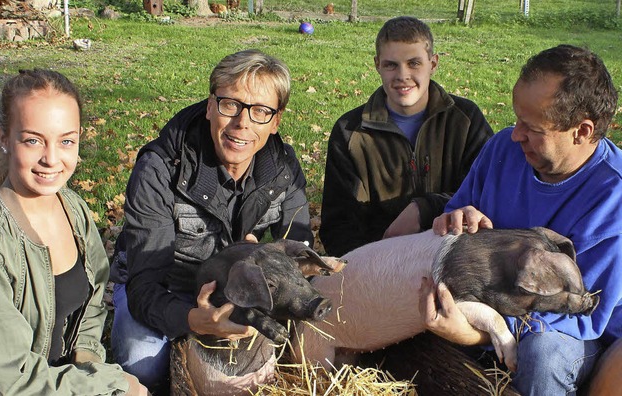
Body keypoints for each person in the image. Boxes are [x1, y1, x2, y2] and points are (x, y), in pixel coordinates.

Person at [109, 49, 314, 394]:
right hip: (165, 283)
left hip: (239, 286)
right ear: (210, 105)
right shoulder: (161, 169)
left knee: (294, 350)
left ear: (276, 120)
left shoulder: (283, 170)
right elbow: (144, 287)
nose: (242, 123)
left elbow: (300, 245)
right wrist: (193, 319)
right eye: (230, 104)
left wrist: (274, 260)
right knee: (143, 359)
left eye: (261, 111)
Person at [423, 45, 622, 395]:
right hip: (486, 301)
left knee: (544, 352)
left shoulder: (613, 197)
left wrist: (481, 330)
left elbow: (582, 314)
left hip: (578, 333)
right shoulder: (502, 149)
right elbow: (449, 222)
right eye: (517, 119)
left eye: (532, 128)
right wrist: (455, 219)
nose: (515, 135)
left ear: (582, 131)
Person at [0, 69, 148, 395]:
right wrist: (111, 383)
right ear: (3, 137)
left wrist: (89, 368)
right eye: (33, 140)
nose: (51, 159)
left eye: (66, 141)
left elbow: (93, 305)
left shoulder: (73, 209)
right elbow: (11, 380)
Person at [319, 16, 493, 257]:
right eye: (391, 65)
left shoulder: (465, 120)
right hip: (381, 262)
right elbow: (338, 227)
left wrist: (424, 208)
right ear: (377, 64)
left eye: (414, 63)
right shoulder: (350, 132)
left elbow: (488, 194)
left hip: (457, 255)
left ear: (433, 63)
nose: (402, 75)